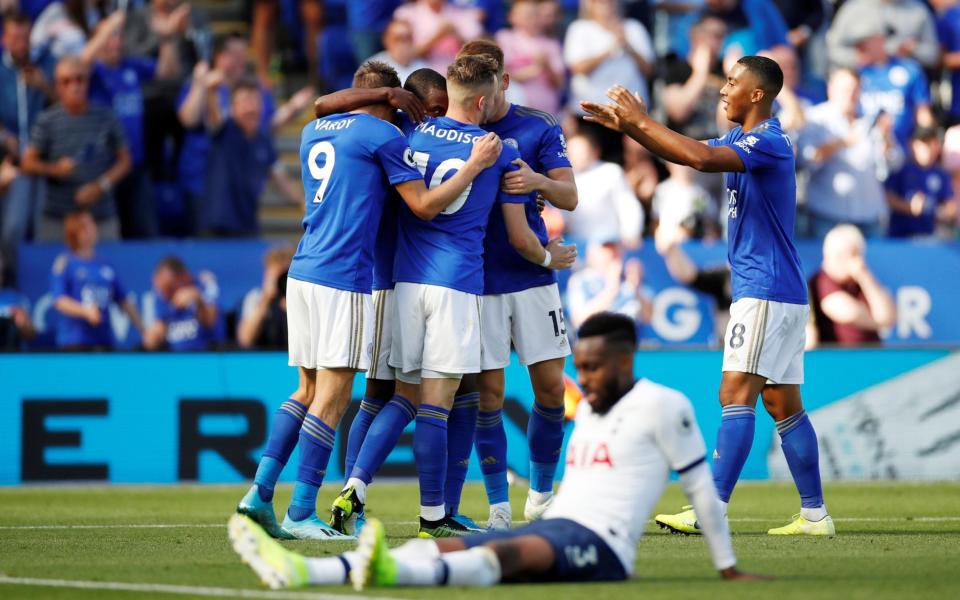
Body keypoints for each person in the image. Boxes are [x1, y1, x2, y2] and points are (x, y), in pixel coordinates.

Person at [228, 312, 768, 590]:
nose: (584, 377)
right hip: (558, 525)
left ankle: (388, 576)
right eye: (580, 364)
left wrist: (727, 567)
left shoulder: (664, 406)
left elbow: (701, 489)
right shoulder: (594, 414)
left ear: (626, 362)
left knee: (504, 558)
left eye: (595, 366)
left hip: (602, 548)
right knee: (455, 548)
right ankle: (308, 576)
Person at [235, 59, 502, 541]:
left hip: (303, 269)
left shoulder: (313, 130)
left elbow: (324, 103)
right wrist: (476, 164)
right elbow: (421, 205)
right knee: (335, 398)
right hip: (350, 276)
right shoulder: (384, 139)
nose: (423, 120)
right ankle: (301, 511)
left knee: (306, 391)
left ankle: (259, 491)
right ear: (389, 100)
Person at [582, 55, 835, 535]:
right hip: (775, 289)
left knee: (734, 394)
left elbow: (698, 158)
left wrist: (640, 119)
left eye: (733, 83)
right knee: (783, 404)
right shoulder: (744, 139)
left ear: (756, 94)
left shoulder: (770, 141)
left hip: (764, 288)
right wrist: (631, 129)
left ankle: (710, 507)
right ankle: (815, 515)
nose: (723, 90)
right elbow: (688, 152)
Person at [437, 39, 578, 530]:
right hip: (480, 281)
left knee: (551, 391)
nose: (489, 98)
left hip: (534, 279)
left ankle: (540, 495)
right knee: (489, 396)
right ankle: (498, 505)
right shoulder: (449, 126)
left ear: (505, 82)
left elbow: (571, 196)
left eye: (495, 85)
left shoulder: (538, 126)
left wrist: (538, 182)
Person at [81, 10, 181, 239]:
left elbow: (168, 70)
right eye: (110, 36)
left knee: (147, 231)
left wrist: (166, 38)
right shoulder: (94, 72)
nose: (115, 41)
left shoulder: (130, 66)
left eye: (118, 35)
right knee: (110, 234)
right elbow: (81, 61)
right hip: (104, 168)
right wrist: (109, 25)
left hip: (136, 165)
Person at [21, 55, 131, 242]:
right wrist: (54, 169)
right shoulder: (47, 120)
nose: (75, 86)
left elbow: (125, 160)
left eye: (80, 79)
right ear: (57, 85)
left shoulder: (106, 117)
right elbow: (27, 163)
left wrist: (100, 186)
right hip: (57, 219)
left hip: (101, 218)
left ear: (88, 81)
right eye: (66, 81)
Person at [797, 68, 903, 238]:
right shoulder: (816, 118)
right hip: (828, 216)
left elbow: (895, 164)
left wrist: (887, 139)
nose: (851, 95)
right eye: (845, 89)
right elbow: (807, 160)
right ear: (831, 89)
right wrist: (841, 142)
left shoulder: (871, 119)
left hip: (870, 217)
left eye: (855, 89)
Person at [202, 79, 299, 237]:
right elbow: (213, 113)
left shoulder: (263, 140)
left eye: (256, 101)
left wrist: (304, 203)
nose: (252, 108)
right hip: (217, 227)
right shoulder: (224, 131)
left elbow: (281, 179)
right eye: (246, 102)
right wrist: (211, 90)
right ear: (233, 108)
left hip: (248, 225)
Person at [0, 11, 55, 282]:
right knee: (14, 228)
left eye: (25, 37)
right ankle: (13, 282)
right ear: (4, 39)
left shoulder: (44, 63)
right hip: (14, 163)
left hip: (44, 162)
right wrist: (4, 137)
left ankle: (39, 286)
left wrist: (44, 86)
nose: (22, 43)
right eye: (15, 37)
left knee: (41, 229)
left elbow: (66, 104)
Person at [50, 210, 142, 351]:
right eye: (85, 227)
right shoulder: (65, 263)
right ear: (75, 233)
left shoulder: (105, 265)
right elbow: (59, 300)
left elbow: (124, 300)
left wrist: (144, 330)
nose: (91, 230)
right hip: (76, 342)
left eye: (92, 225)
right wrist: (85, 312)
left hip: (104, 340)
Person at [848, 18, 934, 150]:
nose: (860, 49)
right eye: (857, 45)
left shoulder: (909, 69)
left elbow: (923, 112)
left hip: (903, 149)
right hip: (864, 151)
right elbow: (847, 111)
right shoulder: (856, 74)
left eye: (864, 43)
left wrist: (925, 139)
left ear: (879, 39)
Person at [807, 225, 896, 349]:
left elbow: (888, 315)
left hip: (874, 356)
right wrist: (878, 322)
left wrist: (865, 277)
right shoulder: (821, 281)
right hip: (841, 360)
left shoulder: (862, 279)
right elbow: (848, 313)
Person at [564, 130, 643, 247]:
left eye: (581, 151)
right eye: (572, 151)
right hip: (577, 247)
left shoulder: (611, 172)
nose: (577, 155)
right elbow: (560, 217)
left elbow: (628, 205)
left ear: (594, 151)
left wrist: (631, 232)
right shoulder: (563, 181)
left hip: (610, 244)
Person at [495, 0, 566, 116]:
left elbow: (559, 83)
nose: (532, 19)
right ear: (512, 17)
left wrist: (546, 66)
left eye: (536, 14)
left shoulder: (552, 44)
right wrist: (536, 69)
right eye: (527, 14)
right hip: (513, 114)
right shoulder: (504, 38)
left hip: (546, 114)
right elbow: (500, 75)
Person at [885, 126, 957, 238]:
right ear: (912, 145)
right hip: (900, 236)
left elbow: (950, 204)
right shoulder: (901, 170)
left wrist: (945, 212)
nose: (928, 149)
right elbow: (888, 196)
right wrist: (908, 207)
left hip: (929, 236)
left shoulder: (941, 174)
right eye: (923, 144)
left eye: (931, 144)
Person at [566, 240, 653, 331]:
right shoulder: (580, 280)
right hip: (596, 341)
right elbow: (579, 320)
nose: (612, 253)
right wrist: (611, 289)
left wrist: (636, 288)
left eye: (615, 248)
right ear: (591, 255)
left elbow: (648, 317)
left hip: (627, 341)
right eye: (606, 248)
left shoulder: (630, 277)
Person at [827, 0, 940, 70]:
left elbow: (933, 55)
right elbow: (832, 48)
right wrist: (857, 58)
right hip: (862, 84)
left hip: (905, 87)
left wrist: (912, 50)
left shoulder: (918, 10)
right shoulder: (852, 9)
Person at [143, 255, 219, 352]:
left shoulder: (204, 286)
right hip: (176, 359)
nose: (166, 295)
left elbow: (210, 322)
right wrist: (154, 336)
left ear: (185, 277)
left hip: (207, 354)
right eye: (162, 290)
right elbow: (154, 337)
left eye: (169, 288)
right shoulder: (162, 297)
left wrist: (198, 300)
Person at [393, 0, 484, 74]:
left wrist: (456, 35)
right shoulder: (406, 14)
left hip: (457, 77)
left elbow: (478, 52)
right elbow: (403, 55)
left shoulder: (463, 14)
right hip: (421, 77)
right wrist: (438, 36)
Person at [238, 244, 295, 349]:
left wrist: (291, 307)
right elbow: (245, 340)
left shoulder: (299, 298)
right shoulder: (255, 297)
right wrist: (266, 300)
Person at [368, 20, 427, 84]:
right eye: (397, 38)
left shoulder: (424, 68)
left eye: (407, 38)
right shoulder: (372, 68)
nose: (402, 43)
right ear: (386, 40)